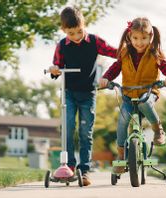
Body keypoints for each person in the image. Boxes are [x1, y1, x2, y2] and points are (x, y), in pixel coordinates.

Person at [99, 17, 166, 173]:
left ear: (150, 37)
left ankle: (158, 130)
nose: (139, 42)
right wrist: (106, 78)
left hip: (148, 92)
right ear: (130, 36)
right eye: (135, 38)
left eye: (143, 38)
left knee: (144, 103)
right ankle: (121, 158)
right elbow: (115, 68)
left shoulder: (155, 53)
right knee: (122, 120)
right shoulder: (124, 53)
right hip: (128, 93)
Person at [49, 6, 117, 185]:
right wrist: (54, 69)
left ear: (84, 25)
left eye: (79, 31)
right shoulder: (62, 46)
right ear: (64, 30)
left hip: (88, 94)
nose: (77, 37)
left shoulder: (94, 41)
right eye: (71, 33)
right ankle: (69, 167)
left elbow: (114, 52)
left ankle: (84, 170)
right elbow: (57, 67)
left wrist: (130, 51)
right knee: (68, 129)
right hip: (69, 93)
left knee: (85, 132)